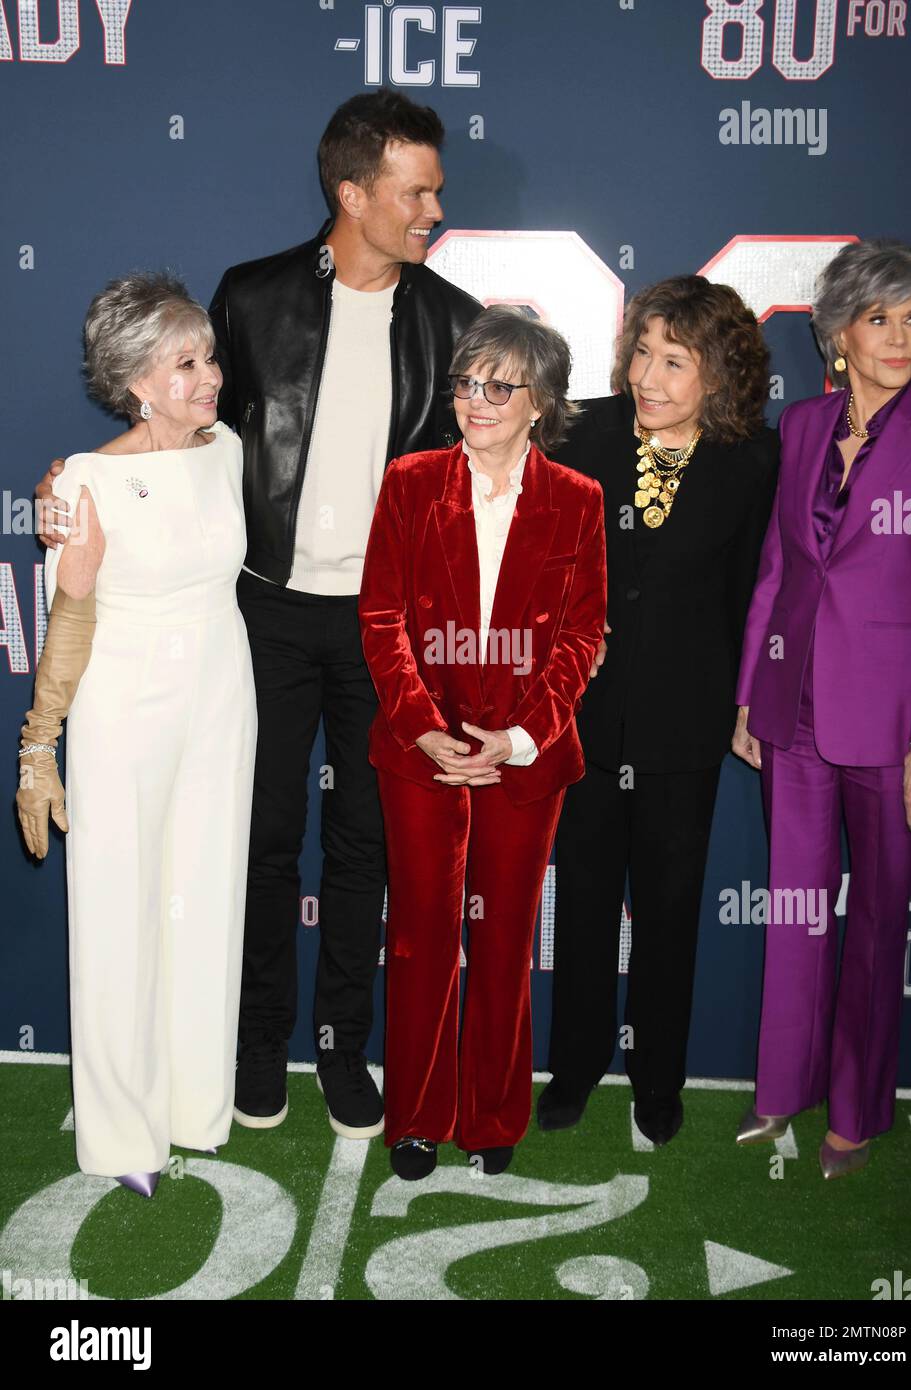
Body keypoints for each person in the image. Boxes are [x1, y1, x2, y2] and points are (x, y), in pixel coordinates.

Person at [35, 90, 481, 1140]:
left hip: (383, 627)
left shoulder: (452, 320)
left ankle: (340, 1046)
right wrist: (76, 485)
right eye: (415, 191)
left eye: (437, 191)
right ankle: (249, 1046)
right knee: (258, 839)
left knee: (364, 845)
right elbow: (181, 445)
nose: (431, 210)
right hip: (261, 621)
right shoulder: (254, 296)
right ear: (352, 191)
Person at [17, 272, 256, 1197]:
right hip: (126, 704)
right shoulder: (83, 480)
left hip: (221, 696)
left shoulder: (226, 449)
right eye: (184, 364)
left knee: (204, 895)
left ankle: (195, 1101)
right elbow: (71, 619)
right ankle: (122, 1134)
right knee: (119, 912)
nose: (209, 377)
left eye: (208, 357)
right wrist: (40, 747)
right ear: (136, 382)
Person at [358, 306, 606, 1180]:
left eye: (502, 385)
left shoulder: (578, 501)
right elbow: (382, 615)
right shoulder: (411, 481)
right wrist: (424, 727)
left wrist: (518, 737)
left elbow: (583, 637)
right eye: (469, 381)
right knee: (423, 934)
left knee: (502, 937)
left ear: (540, 401)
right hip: (420, 752)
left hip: (523, 761)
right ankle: (416, 1117)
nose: (479, 399)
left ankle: (493, 1115)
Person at [539, 277, 779, 1145]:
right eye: (642, 351)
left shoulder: (753, 461)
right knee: (587, 901)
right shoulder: (580, 435)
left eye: (673, 361)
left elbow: (755, 593)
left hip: (686, 722)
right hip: (586, 718)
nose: (648, 374)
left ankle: (658, 1080)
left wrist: (747, 699)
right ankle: (572, 1068)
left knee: (672, 909)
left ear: (716, 375)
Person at [732, 239, 911, 1178]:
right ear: (839, 334)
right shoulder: (803, 429)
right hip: (797, 707)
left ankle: (857, 1115)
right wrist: (750, 691)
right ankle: (782, 1090)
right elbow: (780, 570)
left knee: (874, 925)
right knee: (795, 910)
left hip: (894, 722)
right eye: (881, 319)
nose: (900, 338)